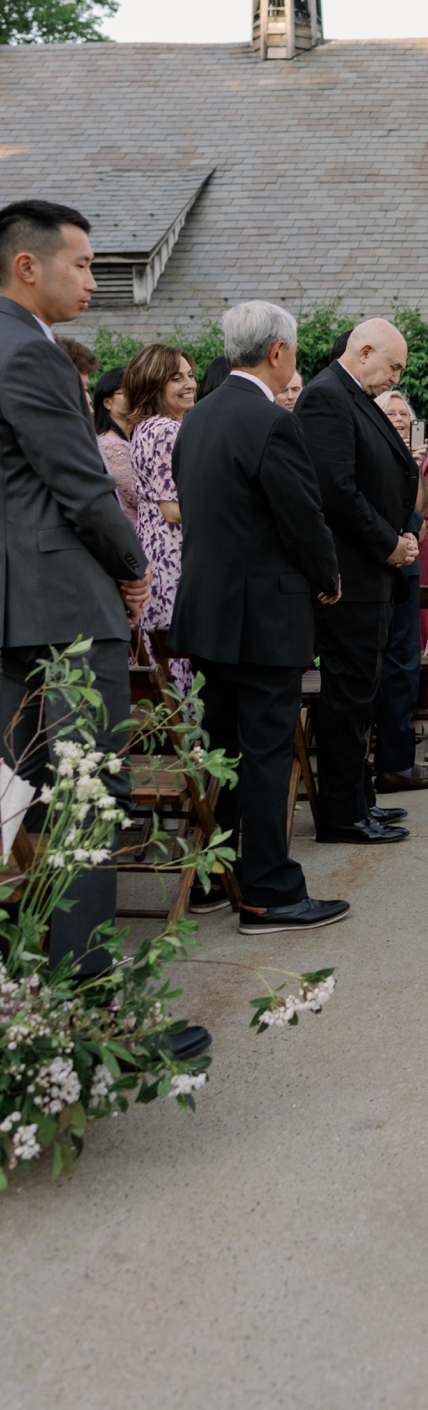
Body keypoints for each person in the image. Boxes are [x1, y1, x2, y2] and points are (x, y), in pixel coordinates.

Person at [0, 199, 155, 980]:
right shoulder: (33, 354)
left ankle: (26, 989)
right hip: (61, 608)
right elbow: (84, 486)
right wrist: (134, 568)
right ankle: (91, 997)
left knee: (14, 801)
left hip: (11, 609)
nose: (96, 278)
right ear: (28, 266)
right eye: (85, 263)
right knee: (87, 797)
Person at [170, 301, 349, 934]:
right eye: (294, 352)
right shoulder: (271, 422)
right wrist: (327, 576)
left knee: (220, 747)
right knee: (267, 750)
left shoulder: (197, 419)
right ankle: (269, 892)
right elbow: (301, 515)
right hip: (265, 613)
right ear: (277, 352)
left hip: (208, 609)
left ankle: (214, 879)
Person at [295, 319, 420, 843]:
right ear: (364, 350)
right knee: (348, 697)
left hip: (370, 572)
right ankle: (343, 815)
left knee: (362, 692)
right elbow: (336, 490)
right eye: (392, 365)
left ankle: (360, 799)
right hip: (350, 574)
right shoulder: (327, 397)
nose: (394, 377)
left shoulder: (352, 394)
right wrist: (388, 542)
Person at [370, 387, 428, 794]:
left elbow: (423, 511)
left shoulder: (410, 460)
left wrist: (414, 466)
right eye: (390, 413)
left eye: (403, 414)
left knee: (403, 660)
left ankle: (398, 759)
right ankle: (390, 762)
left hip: (410, 559)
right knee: (389, 663)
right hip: (380, 560)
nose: (398, 419)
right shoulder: (369, 453)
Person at [126, 343, 198, 699]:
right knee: (180, 663)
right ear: (154, 385)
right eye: (176, 378)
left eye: (189, 375)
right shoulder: (166, 430)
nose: (189, 384)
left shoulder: (144, 428)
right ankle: (193, 749)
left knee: (167, 664)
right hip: (173, 559)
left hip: (155, 553)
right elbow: (173, 509)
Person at [93, 366, 140, 527]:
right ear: (107, 402)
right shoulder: (111, 446)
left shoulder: (132, 440)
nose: (137, 397)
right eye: (128, 391)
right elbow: (140, 497)